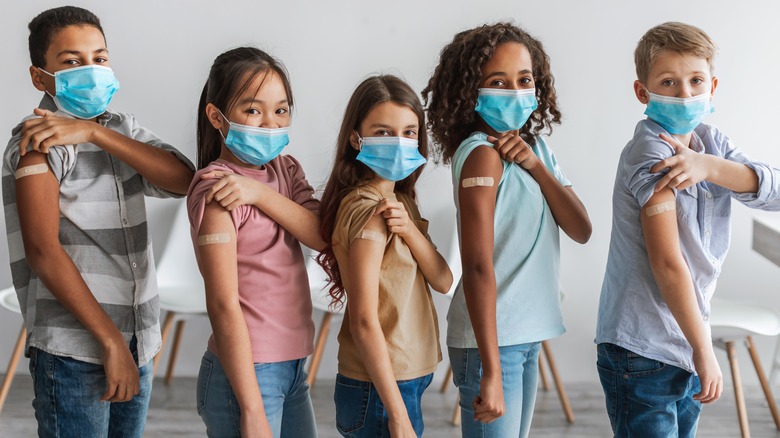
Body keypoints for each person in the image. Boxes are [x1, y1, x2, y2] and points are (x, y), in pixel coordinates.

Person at [1, 6, 195, 437]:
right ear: (40, 77)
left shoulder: (120, 129)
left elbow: (184, 181)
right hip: (77, 350)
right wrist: (109, 342)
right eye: (71, 61)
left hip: (138, 339)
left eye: (99, 58)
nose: (90, 69)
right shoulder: (37, 144)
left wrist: (95, 133)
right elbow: (43, 252)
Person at [595, 21, 780, 437]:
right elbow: (667, 262)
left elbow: (776, 193)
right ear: (643, 92)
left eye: (696, 81)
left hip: (683, 338)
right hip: (643, 347)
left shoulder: (710, 142)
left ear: (712, 85)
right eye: (669, 82)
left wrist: (710, 166)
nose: (686, 94)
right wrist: (703, 349)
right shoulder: (651, 152)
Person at [423, 22, 591, 437]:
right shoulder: (481, 156)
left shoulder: (539, 150)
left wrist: (536, 168)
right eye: (498, 81)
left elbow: (580, 228)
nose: (515, 91)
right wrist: (491, 371)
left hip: (525, 335)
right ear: (471, 91)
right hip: (491, 345)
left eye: (524, 80)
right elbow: (477, 266)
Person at [187, 46, 323, 438]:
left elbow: (319, 234)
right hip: (247, 375)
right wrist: (251, 409)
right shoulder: (217, 190)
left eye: (281, 110)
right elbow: (223, 304)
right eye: (252, 110)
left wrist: (259, 193)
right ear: (217, 116)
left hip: (292, 366)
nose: (269, 123)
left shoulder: (285, 168)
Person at [317, 74, 453, 438]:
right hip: (382, 387)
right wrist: (397, 415)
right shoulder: (369, 210)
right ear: (355, 138)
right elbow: (363, 320)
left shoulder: (400, 203)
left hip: (405, 378)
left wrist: (408, 229)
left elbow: (443, 280)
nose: (398, 142)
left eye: (409, 132)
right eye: (382, 132)